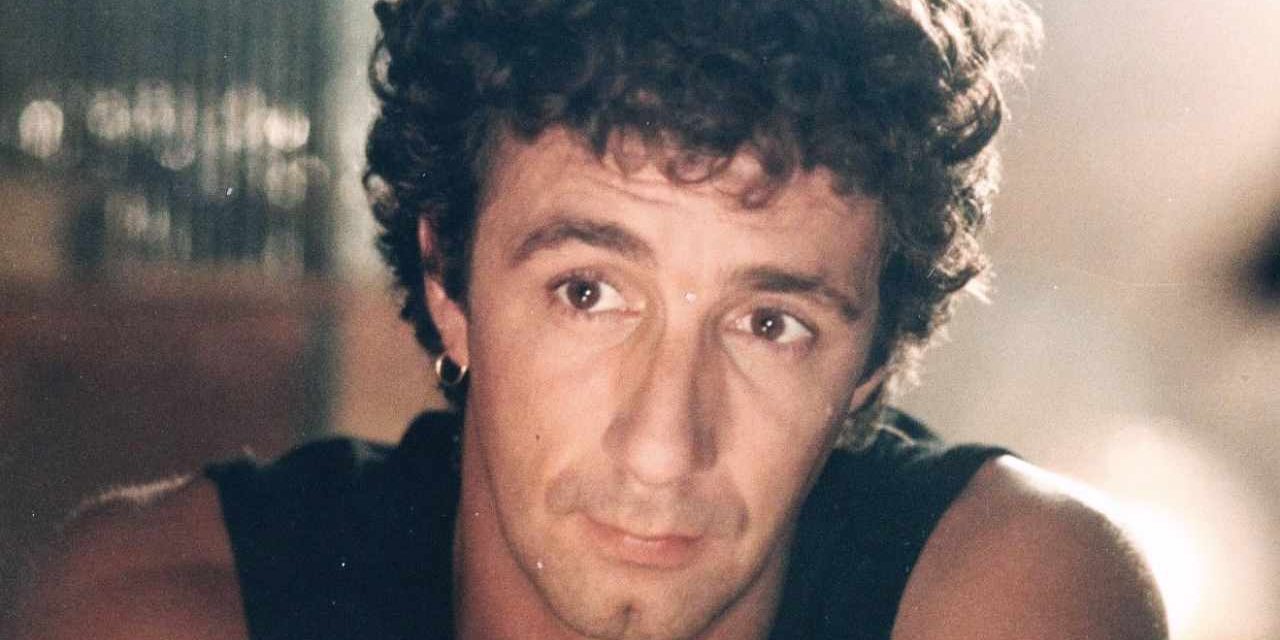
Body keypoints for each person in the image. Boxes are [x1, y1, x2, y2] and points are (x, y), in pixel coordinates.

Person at [11, 1, 1169, 639]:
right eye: (588, 292)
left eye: (769, 322)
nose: (662, 446)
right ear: (449, 284)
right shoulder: (162, 605)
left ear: (869, 362)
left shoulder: (1011, 595)